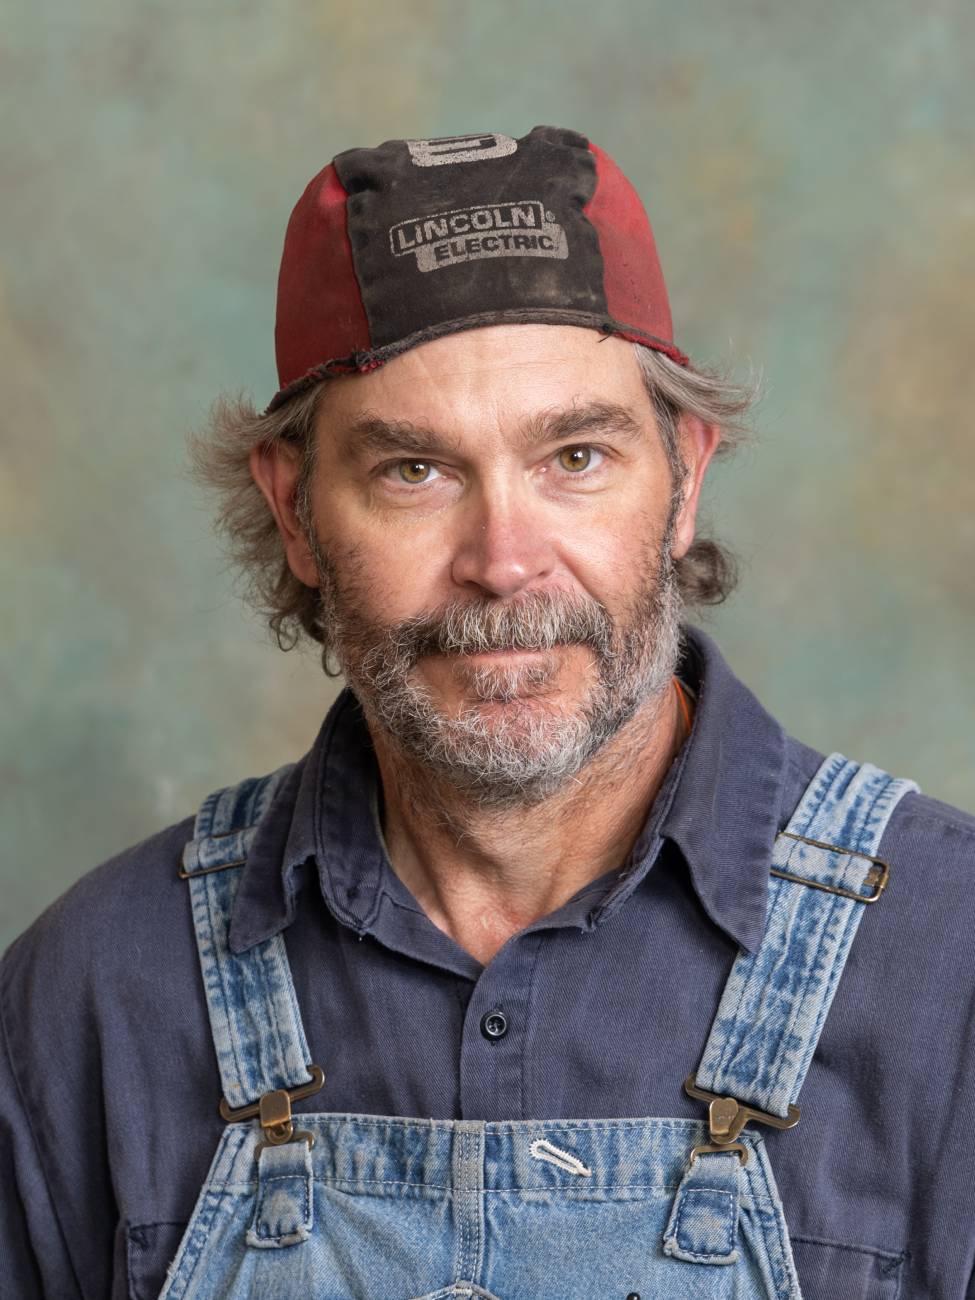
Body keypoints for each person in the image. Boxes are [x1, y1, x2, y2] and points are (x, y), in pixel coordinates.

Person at [1, 125, 972, 1300]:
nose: (504, 562)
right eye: (414, 471)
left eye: (576, 456)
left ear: (685, 480)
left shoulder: (948, 965)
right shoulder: (89, 995)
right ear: (297, 512)